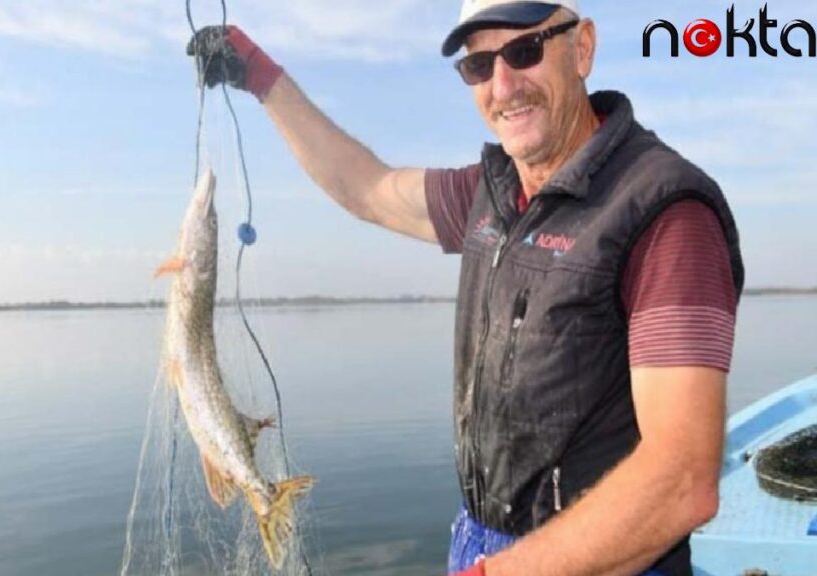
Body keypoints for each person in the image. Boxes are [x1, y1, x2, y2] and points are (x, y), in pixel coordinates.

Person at [187, 1, 744, 574]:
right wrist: (258, 75)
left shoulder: (665, 213)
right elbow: (367, 188)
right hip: (481, 542)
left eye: (525, 52)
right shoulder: (491, 195)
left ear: (582, 49)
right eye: (479, 65)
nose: (503, 85)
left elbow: (681, 479)